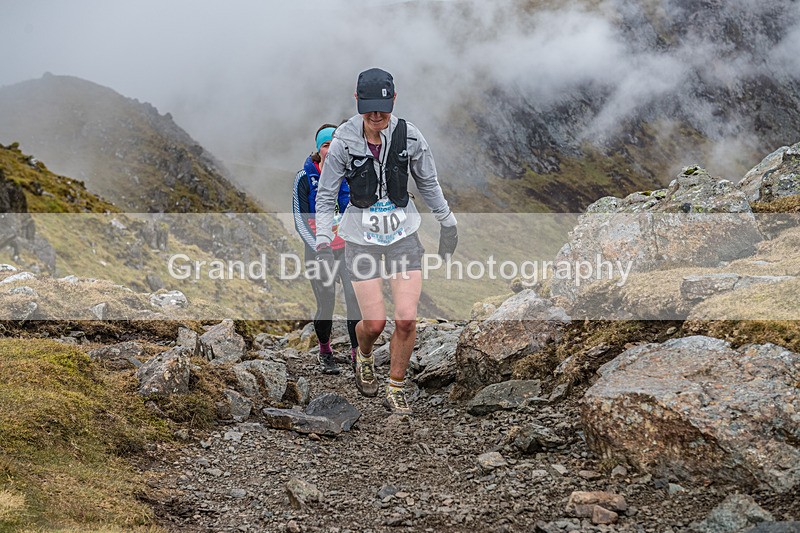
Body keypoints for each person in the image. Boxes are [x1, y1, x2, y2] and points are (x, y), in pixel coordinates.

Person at [314, 68, 458, 415]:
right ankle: (364, 355)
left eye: (382, 106)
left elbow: (428, 183)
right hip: (360, 238)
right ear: (357, 101)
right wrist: (321, 237)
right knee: (375, 323)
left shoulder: (410, 137)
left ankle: (396, 387)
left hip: (403, 234)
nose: (376, 115)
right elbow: (326, 194)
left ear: (393, 99)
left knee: (407, 318)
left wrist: (447, 222)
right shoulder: (344, 142)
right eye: (368, 107)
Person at [292, 123, 361, 374]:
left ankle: (357, 355)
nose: (331, 149)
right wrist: (320, 249)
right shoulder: (304, 178)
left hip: (347, 249)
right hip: (318, 251)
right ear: (318, 148)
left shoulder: (350, 175)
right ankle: (325, 351)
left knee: (355, 299)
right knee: (327, 303)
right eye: (326, 145)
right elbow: (300, 220)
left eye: (335, 144)